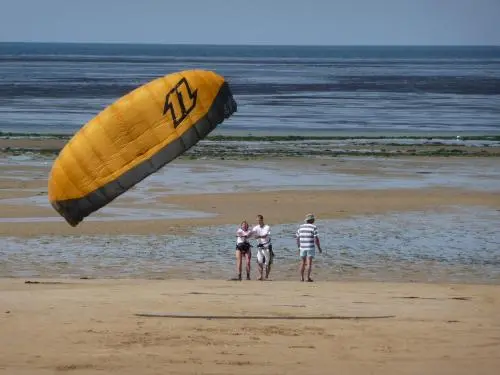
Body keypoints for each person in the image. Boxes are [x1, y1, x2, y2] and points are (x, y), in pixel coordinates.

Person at [296, 213, 322, 282]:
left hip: (302, 247)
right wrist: (319, 248)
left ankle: (301, 278)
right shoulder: (313, 227)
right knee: (309, 263)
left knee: (302, 262)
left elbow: (297, 238)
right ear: (312, 220)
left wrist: (299, 247)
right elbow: (316, 239)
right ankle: (308, 278)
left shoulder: (301, 227)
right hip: (310, 247)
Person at [252, 214, 274, 280]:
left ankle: (266, 276)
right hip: (259, 247)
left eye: (260, 220)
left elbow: (265, 235)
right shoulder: (256, 227)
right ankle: (261, 275)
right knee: (259, 262)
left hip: (267, 246)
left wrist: (258, 236)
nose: (258, 221)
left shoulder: (267, 227)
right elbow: (252, 233)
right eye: (257, 220)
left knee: (267, 263)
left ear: (262, 220)